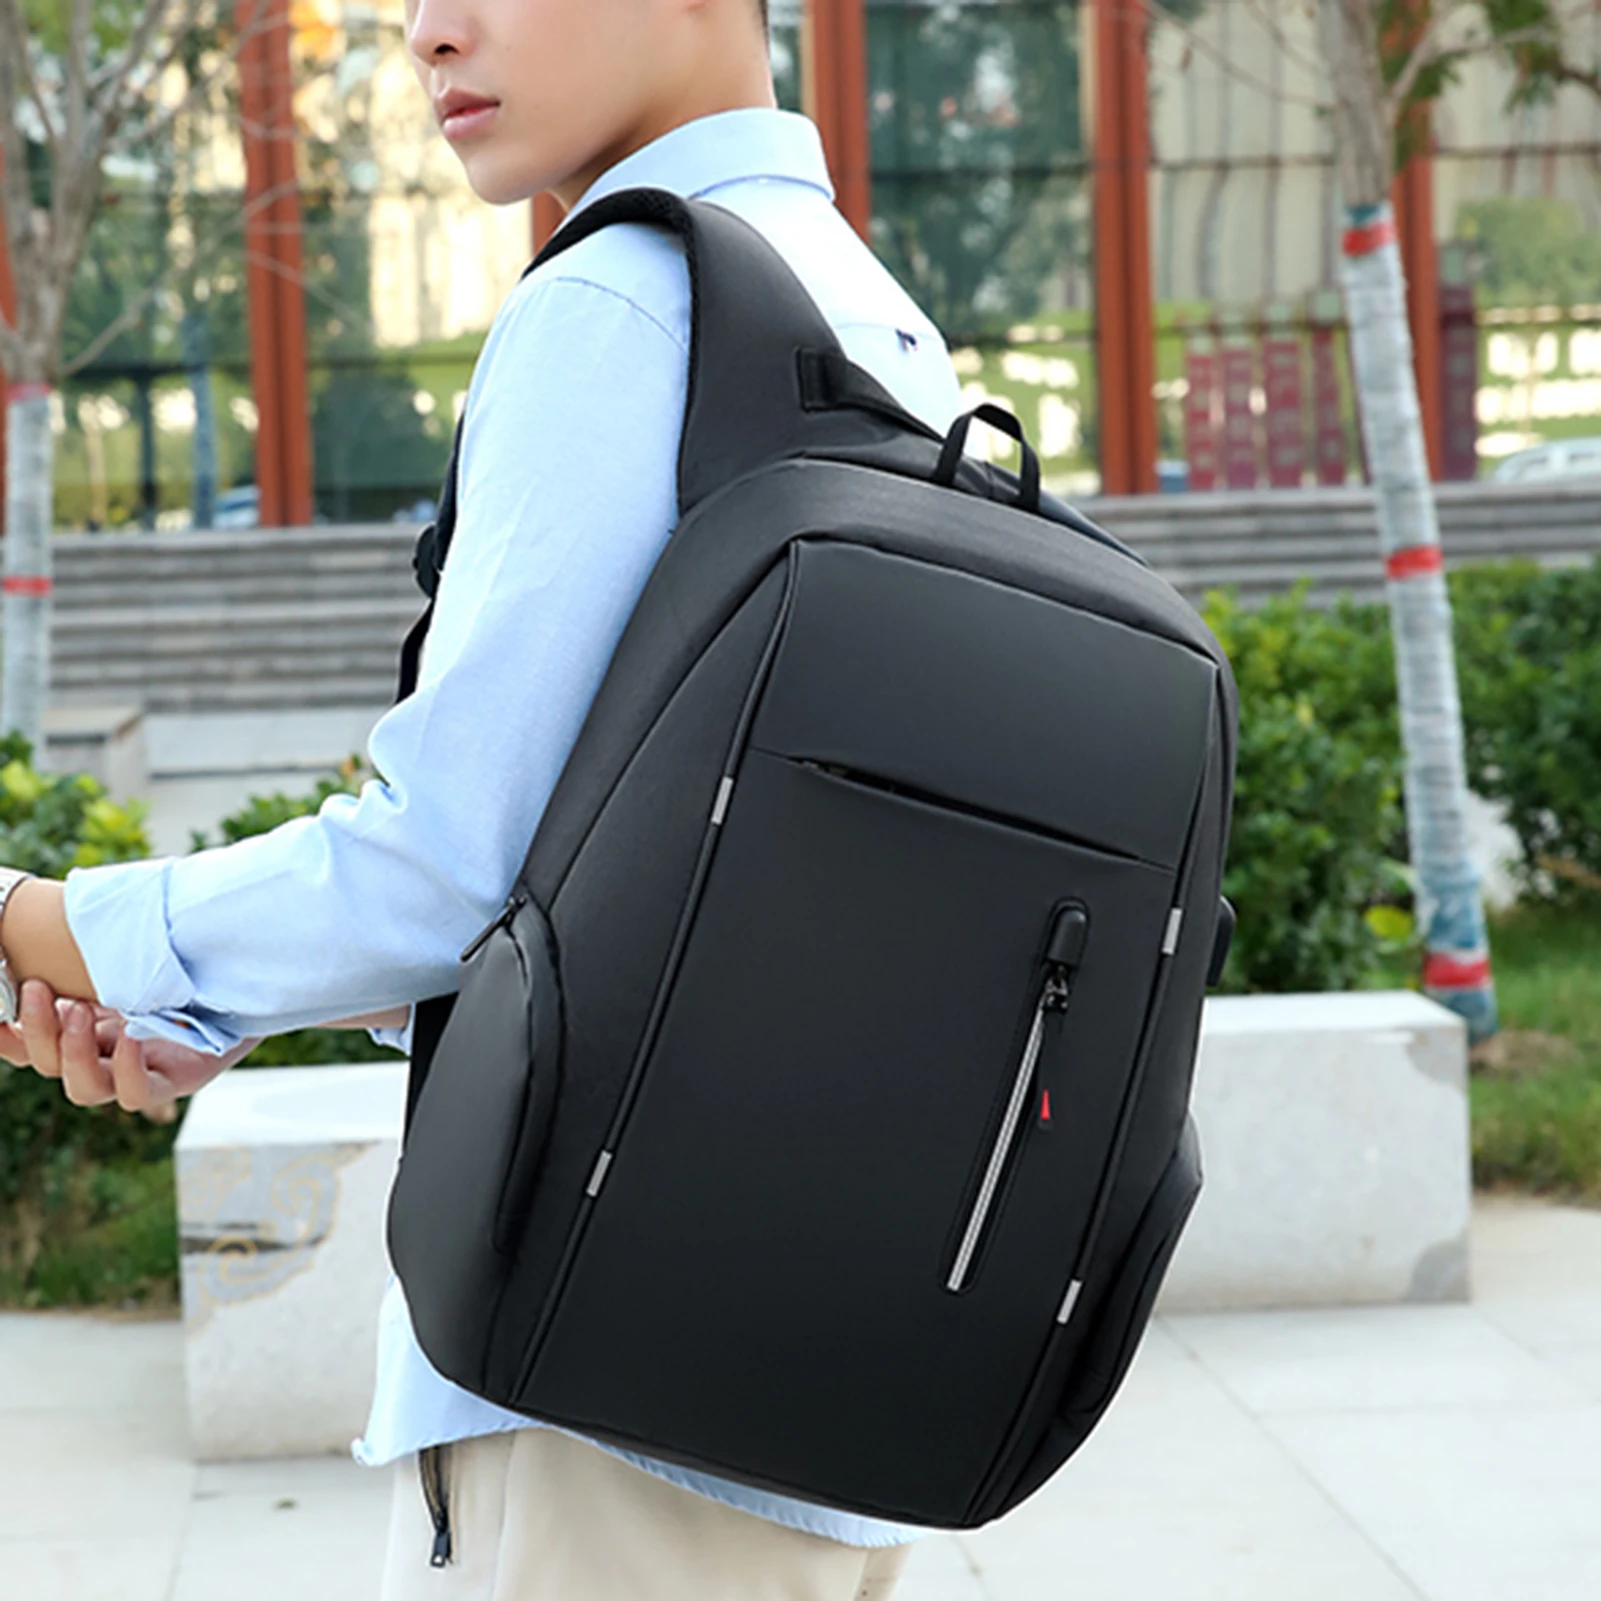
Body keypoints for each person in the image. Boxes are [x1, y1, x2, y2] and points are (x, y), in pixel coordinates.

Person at [0, 0, 966, 1595]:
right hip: (821, 1393)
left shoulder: (625, 297)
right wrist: (235, 1001)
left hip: (602, 1391)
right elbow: (657, 884)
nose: (427, 34)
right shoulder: (865, 307)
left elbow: (445, 869)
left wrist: (45, 927)